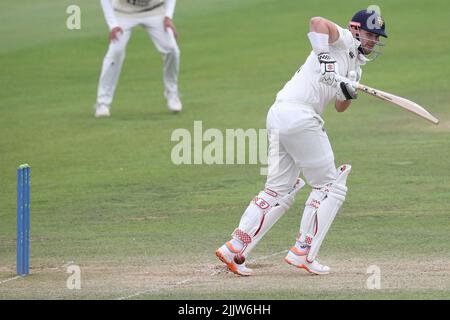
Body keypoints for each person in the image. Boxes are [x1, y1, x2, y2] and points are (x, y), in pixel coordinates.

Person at [216, 9, 388, 276]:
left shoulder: (355, 67)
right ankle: (303, 252)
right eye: (369, 34)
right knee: (330, 186)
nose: (373, 41)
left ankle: (234, 247)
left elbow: (340, 107)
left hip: (279, 114)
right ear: (355, 30)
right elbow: (317, 22)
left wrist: (348, 90)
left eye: (376, 37)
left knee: (278, 189)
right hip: (299, 115)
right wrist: (325, 60)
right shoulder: (340, 39)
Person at [95, 0, 181, 118]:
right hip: (123, 12)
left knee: (171, 49)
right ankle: (102, 103)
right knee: (116, 50)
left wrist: (168, 16)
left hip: (154, 11)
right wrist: (113, 25)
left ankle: (172, 93)